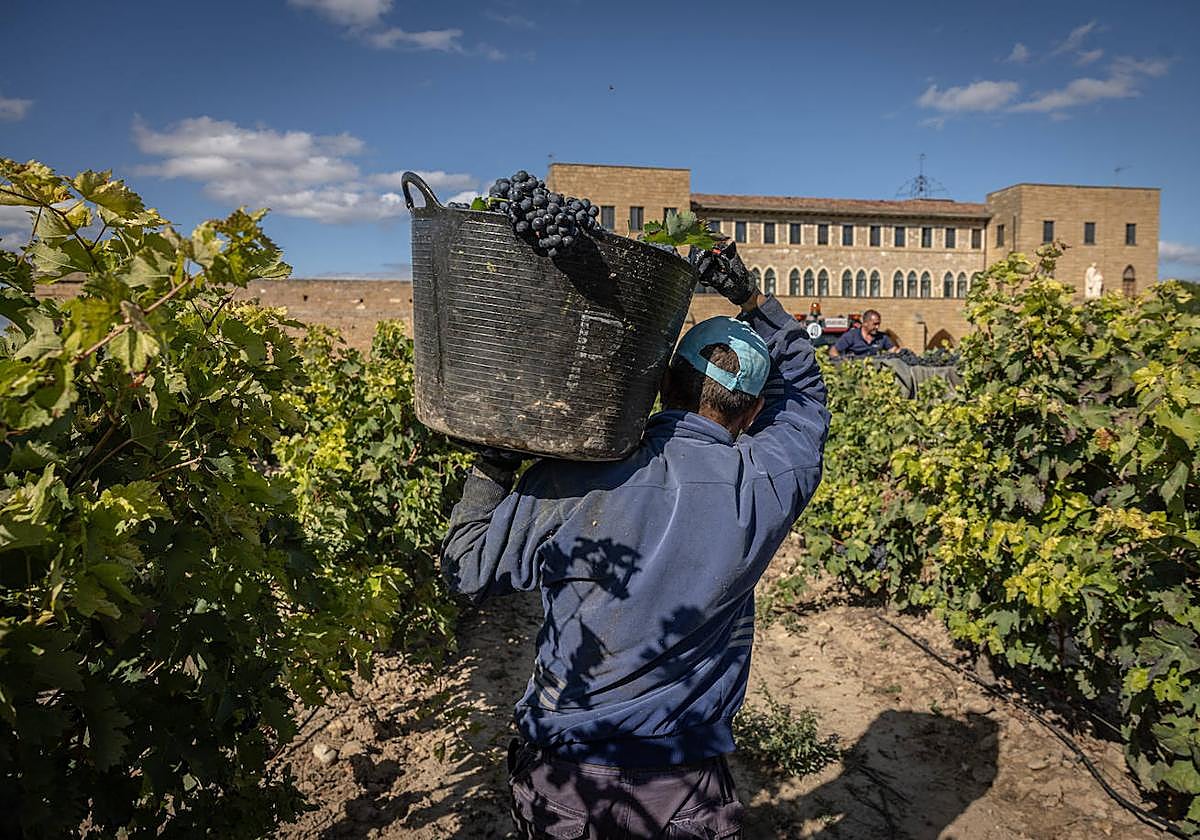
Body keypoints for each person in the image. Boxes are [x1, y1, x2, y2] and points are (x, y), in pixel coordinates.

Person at [440, 241, 830, 839]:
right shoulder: (769, 482)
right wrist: (755, 301)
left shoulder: (573, 477)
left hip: (568, 780)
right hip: (685, 790)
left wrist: (494, 463)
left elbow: (466, 568)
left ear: (662, 384)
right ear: (750, 414)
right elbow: (804, 398)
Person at [828, 309, 899, 358]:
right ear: (865, 323)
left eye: (878, 324)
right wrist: (843, 363)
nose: (877, 327)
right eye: (875, 324)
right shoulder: (851, 336)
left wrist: (902, 352)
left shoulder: (882, 337)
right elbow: (833, 351)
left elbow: (893, 350)